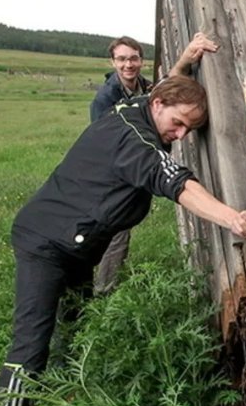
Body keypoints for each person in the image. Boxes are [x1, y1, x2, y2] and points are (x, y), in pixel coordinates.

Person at [0, 75, 246, 406]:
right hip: (45, 246)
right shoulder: (132, 138)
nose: (182, 135)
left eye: (190, 129)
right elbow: (175, 183)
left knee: (68, 351)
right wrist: (232, 218)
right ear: (159, 103)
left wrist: (189, 59)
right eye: (179, 123)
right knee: (27, 358)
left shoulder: (138, 115)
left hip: (72, 252)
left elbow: (169, 98)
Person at [89, 33, 220, 294]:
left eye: (134, 59)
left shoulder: (146, 88)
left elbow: (167, 87)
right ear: (113, 62)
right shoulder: (105, 98)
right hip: (115, 178)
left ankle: (101, 286)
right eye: (122, 59)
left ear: (141, 60)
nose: (129, 65)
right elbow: (105, 143)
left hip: (137, 174)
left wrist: (185, 57)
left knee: (117, 231)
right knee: (112, 231)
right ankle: (103, 292)